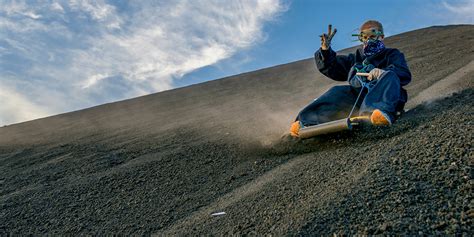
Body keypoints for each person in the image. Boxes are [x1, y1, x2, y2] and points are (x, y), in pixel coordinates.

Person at [290, 20, 412, 137]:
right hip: (359, 98)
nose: (368, 39)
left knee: (389, 76)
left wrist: (382, 72)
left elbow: (403, 73)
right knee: (336, 91)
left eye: (372, 35)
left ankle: (376, 114)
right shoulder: (356, 58)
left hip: (387, 98)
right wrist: (325, 51)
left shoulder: (392, 54)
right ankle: (306, 121)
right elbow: (333, 67)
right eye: (364, 37)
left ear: (381, 36)